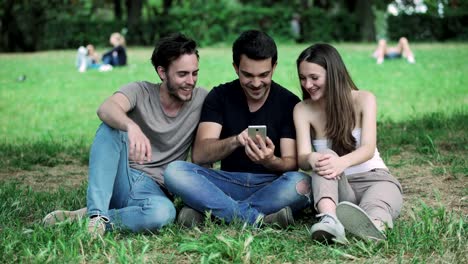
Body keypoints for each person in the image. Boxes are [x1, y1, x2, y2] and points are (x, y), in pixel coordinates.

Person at [43, 33, 208, 236]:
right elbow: (106, 108)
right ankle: (96, 215)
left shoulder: (201, 99)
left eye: (195, 73)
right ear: (162, 72)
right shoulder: (140, 91)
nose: (190, 81)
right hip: (121, 178)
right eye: (182, 74)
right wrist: (131, 126)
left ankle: (96, 219)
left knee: (164, 214)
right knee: (110, 127)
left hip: (155, 192)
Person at [163, 30, 311, 229]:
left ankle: (213, 213)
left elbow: (290, 164)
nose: (257, 83)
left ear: (274, 67)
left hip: (270, 185)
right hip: (225, 183)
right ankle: (255, 219)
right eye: (248, 75)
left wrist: (270, 160)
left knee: (303, 183)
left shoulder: (288, 102)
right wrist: (236, 141)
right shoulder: (219, 96)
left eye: (264, 75)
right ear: (236, 68)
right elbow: (200, 155)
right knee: (175, 171)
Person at [294, 43, 403, 243]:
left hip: (375, 179)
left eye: (314, 78)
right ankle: (330, 220)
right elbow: (302, 159)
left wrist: (341, 163)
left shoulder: (364, 99)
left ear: (333, 74)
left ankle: (373, 227)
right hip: (338, 188)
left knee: (377, 207)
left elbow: (368, 149)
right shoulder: (303, 109)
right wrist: (312, 157)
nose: (307, 85)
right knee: (325, 158)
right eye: (303, 78)